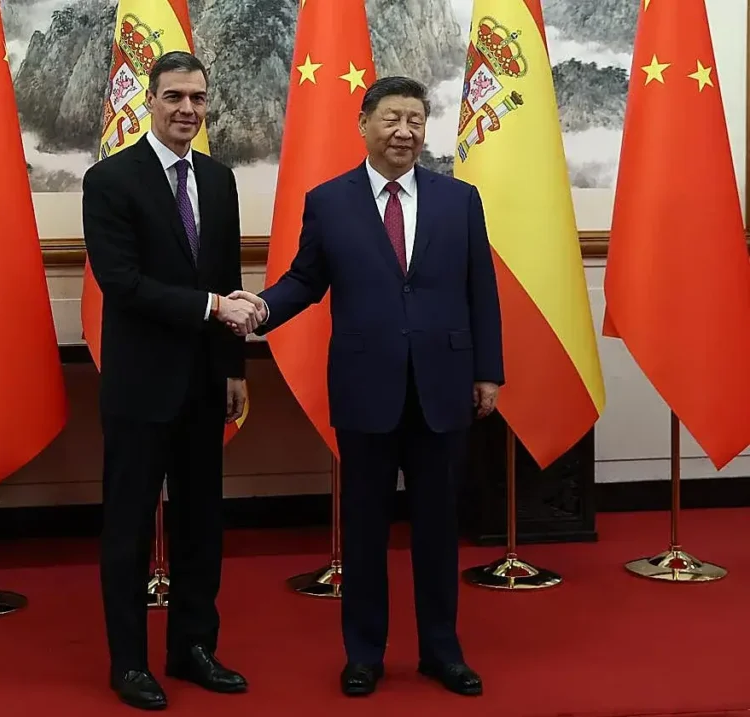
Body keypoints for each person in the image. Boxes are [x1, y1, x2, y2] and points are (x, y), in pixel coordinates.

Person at [230, 76, 504, 698]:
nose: (404, 131)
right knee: (364, 528)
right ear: (364, 124)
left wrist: (488, 370)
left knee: (438, 528)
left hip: (444, 386)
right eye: (392, 119)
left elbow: (480, 290)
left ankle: (442, 651)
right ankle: (363, 654)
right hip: (365, 388)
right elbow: (305, 281)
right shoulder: (329, 202)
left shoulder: (459, 200)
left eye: (415, 119)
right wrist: (261, 308)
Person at [82, 51, 260, 711]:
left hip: (206, 381)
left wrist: (235, 365)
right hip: (139, 385)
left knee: (200, 524)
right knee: (129, 528)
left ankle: (192, 646)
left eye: (198, 98)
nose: (187, 109)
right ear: (148, 101)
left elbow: (227, 271)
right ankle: (127, 662)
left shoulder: (219, 181)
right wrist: (212, 308)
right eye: (175, 97)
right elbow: (122, 285)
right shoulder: (110, 180)